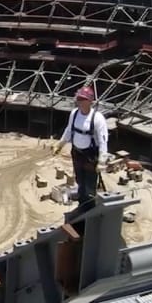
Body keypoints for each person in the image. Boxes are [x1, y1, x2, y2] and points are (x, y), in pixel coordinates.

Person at [53, 85, 109, 228]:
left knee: (90, 187)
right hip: (77, 153)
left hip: (90, 156)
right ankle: (82, 205)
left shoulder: (97, 118)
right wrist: (60, 144)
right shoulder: (74, 114)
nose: (79, 101)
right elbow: (69, 129)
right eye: (78, 99)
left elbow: (103, 140)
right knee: (80, 181)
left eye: (82, 99)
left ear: (90, 101)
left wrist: (102, 160)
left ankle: (89, 211)